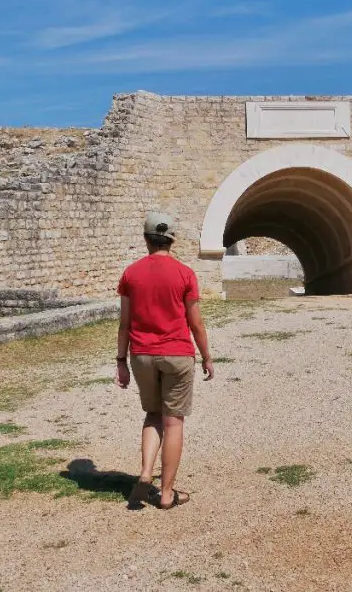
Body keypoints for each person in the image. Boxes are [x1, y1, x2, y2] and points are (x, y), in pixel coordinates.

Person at [115, 211, 214, 510]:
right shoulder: (185, 274)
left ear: (146, 239)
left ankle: (146, 472)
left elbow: (124, 323)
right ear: (172, 240)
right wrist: (207, 356)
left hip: (142, 355)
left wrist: (121, 360)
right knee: (173, 422)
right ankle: (167, 494)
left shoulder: (130, 274)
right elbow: (195, 323)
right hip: (177, 354)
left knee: (152, 415)